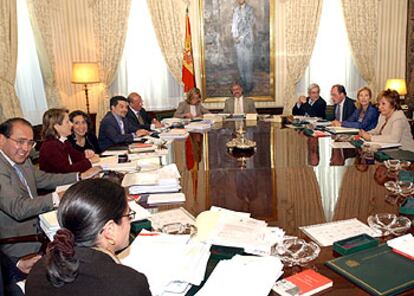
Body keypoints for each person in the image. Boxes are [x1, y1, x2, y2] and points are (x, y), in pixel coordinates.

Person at [0, 118, 101, 277]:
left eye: (30, 143)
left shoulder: (22, 160)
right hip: (18, 245)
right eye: (20, 142)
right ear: (1, 139)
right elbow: (18, 208)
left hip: (43, 230)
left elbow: (44, 178)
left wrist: (79, 176)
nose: (25, 149)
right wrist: (57, 197)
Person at [26, 179, 151, 296]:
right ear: (110, 230)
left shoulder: (38, 272)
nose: (130, 222)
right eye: (128, 215)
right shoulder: (129, 284)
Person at [39, 109, 96, 174]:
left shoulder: (64, 141)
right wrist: (89, 162)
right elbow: (65, 170)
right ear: (56, 126)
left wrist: (87, 155)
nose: (71, 124)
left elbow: (77, 157)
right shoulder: (50, 146)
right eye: (67, 122)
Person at [232, 0, 256, 93]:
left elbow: (249, 25)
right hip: (238, 42)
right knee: (240, 63)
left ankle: (248, 85)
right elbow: (234, 24)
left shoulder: (250, 9)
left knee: (248, 63)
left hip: (247, 41)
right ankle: (242, 84)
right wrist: (234, 35)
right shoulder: (235, 10)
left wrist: (240, 37)